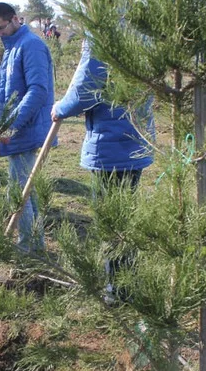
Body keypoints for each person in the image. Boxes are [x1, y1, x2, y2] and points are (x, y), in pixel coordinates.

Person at [52, 39, 154, 300]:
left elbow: (85, 89)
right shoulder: (141, 33)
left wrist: (61, 107)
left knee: (112, 220)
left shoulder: (102, 32)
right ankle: (126, 285)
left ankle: (118, 292)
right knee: (125, 216)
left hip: (111, 144)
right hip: (135, 138)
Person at [0, 3, 54, 252]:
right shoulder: (12, 48)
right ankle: (36, 247)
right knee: (26, 192)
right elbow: (12, 87)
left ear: (14, 19)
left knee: (19, 193)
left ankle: (26, 249)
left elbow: (37, 91)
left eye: (1, 28)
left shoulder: (31, 45)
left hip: (27, 131)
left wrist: (10, 128)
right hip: (18, 130)